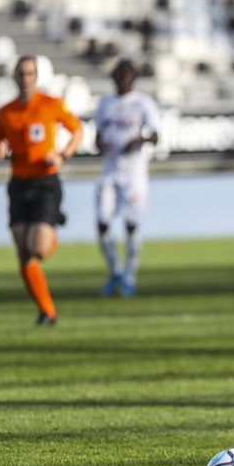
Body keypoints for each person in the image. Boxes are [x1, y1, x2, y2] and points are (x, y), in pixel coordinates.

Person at [0, 55, 83, 326]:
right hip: (19, 183)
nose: (25, 79)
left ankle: (52, 220)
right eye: (21, 74)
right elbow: (0, 140)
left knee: (39, 249)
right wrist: (0, 148)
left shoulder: (50, 104)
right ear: (15, 77)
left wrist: (62, 155)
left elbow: (77, 130)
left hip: (45, 182)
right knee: (24, 253)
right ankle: (47, 312)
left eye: (30, 73)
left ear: (36, 76)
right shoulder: (6, 111)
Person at [94, 59, 160, 297]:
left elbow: (155, 135)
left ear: (134, 78)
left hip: (133, 172)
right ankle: (116, 271)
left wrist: (139, 140)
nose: (123, 78)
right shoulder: (105, 104)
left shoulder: (143, 103)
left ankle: (130, 278)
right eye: (119, 74)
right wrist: (101, 144)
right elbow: (97, 137)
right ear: (114, 78)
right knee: (102, 223)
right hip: (110, 170)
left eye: (127, 74)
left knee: (131, 225)